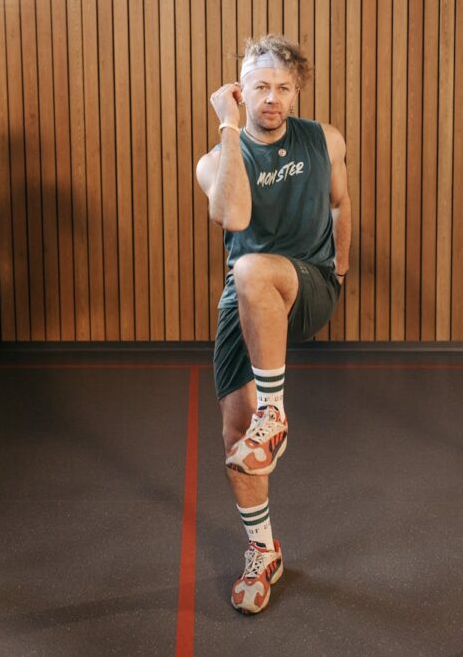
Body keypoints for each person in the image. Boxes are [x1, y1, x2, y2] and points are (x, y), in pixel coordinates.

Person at [195, 34, 351, 615]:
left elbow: (340, 201)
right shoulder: (216, 160)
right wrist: (228, 128)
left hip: (306, 282)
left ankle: (274, 412)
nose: (273, 99)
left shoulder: (323, 140)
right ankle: (263, 552)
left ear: (297, 92)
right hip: (247, 297)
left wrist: (343, 262)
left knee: (255, 265)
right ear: (241, 89)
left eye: (284, 88)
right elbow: (232, 214)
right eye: (260, 87)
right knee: (237, 444)